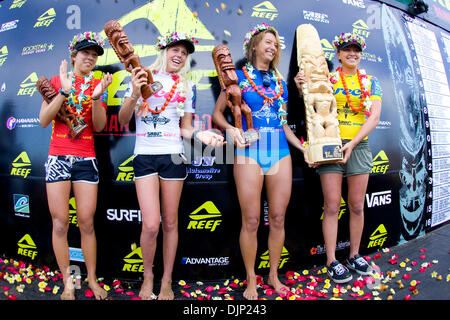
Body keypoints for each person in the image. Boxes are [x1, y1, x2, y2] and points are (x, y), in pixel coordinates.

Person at [118, 32, 225, 300]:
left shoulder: (187, 86)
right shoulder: (141, 74)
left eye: (184, 52)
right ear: (163, 50)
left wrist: (201, 135)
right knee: (151, 225)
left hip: (174, 157)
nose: (179, 54)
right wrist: (133, 92)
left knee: (170, 223)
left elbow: (186, 129)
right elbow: (122, 120)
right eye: (174, 49)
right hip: (144, 155)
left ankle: (166, 280)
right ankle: (148, 277)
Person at [212, 23, 310, 300]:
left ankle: (273, 275)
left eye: (276, 44)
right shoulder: (237, 77)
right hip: (248, 154)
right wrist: (230, 129)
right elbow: (218, 114)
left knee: (278, 218)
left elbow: (284, 125)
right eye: (267, 42)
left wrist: (302, 149)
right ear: (254, 45)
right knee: (252, 220)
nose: (273, 47)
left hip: (279, 152)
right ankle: (251, 280)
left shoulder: (281, 82)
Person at [295, 32, 382, 283]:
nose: (352, 54)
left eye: (356, 50)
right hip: (329, 145)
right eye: (347, 50)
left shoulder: (371, 82)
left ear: (360, 54)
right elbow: (311, 102)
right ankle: (332, 260)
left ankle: (355, 254)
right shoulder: (329, 78)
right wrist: (301, 84)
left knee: (356, 205)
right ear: (338, 54)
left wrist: (353, 144)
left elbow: (374, 117)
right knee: (332, 205)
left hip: (359, 146)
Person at [38, 31, 113, 299]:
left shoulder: (99, 85)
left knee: (86, 222)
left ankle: (92, 280)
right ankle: (69, 282)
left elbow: (101, 126)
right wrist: (63, 92)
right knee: (60, 224)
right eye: (85, 53)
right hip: (58, 157)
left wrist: (96, 98)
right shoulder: (58, 80)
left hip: (86, 159)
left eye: (94, 55)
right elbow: (44, 120)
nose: (90, 58)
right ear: (74, 56)